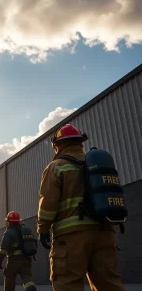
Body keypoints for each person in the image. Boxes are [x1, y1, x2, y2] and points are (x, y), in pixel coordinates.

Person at [37, 123, 125, 291]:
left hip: (71, 238)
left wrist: (43, 230)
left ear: (58, 145)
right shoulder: (97, 165)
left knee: (67, 283)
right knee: (109, 284)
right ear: (80, 143)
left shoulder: (56, 167)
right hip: (104, 232)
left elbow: (48, 203)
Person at [0, 211, 37, 291]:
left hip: (13, 261)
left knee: (9, 279)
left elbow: (3, 249)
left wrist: (0, 260)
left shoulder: (8, 233)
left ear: (9, 221)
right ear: (19, 221)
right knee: (26, 277)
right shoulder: (24, 230)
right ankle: (30, 288)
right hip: (26, 259)